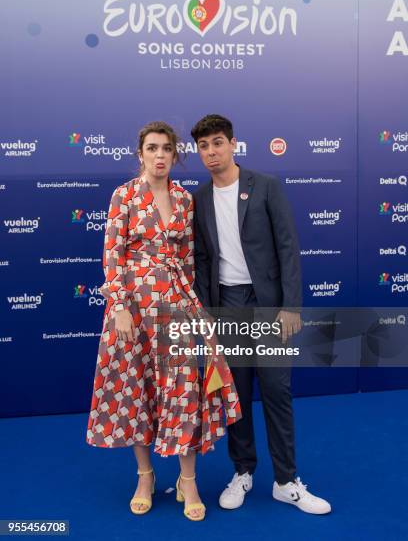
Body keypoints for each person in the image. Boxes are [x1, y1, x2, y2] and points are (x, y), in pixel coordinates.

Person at [86, 121, 241, 522]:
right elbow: (112, 254)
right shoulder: (123, 196)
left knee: (186, 389)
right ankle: (145, 476)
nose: (159, 155)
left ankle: (188, 480)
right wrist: (119, 304)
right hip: (133, 311)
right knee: (137, 392)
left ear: (175, 155)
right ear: (140, 154)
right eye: (152, 148)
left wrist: (192, 305)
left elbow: (188, 257)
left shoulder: (184, 198)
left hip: (176, 305)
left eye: (166, 149)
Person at [191, 114, 331, 515]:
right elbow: (201, 260)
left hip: (268, 304)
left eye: (218, 142)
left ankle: (286, 481)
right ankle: (243, 471)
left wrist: (291, 306)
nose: (211, 152)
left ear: (233, 144)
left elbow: (288, 247)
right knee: (235, 393)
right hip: (227, 306)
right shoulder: (198, 199)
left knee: (276, 390)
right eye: (204, 146)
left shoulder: (265, 186)